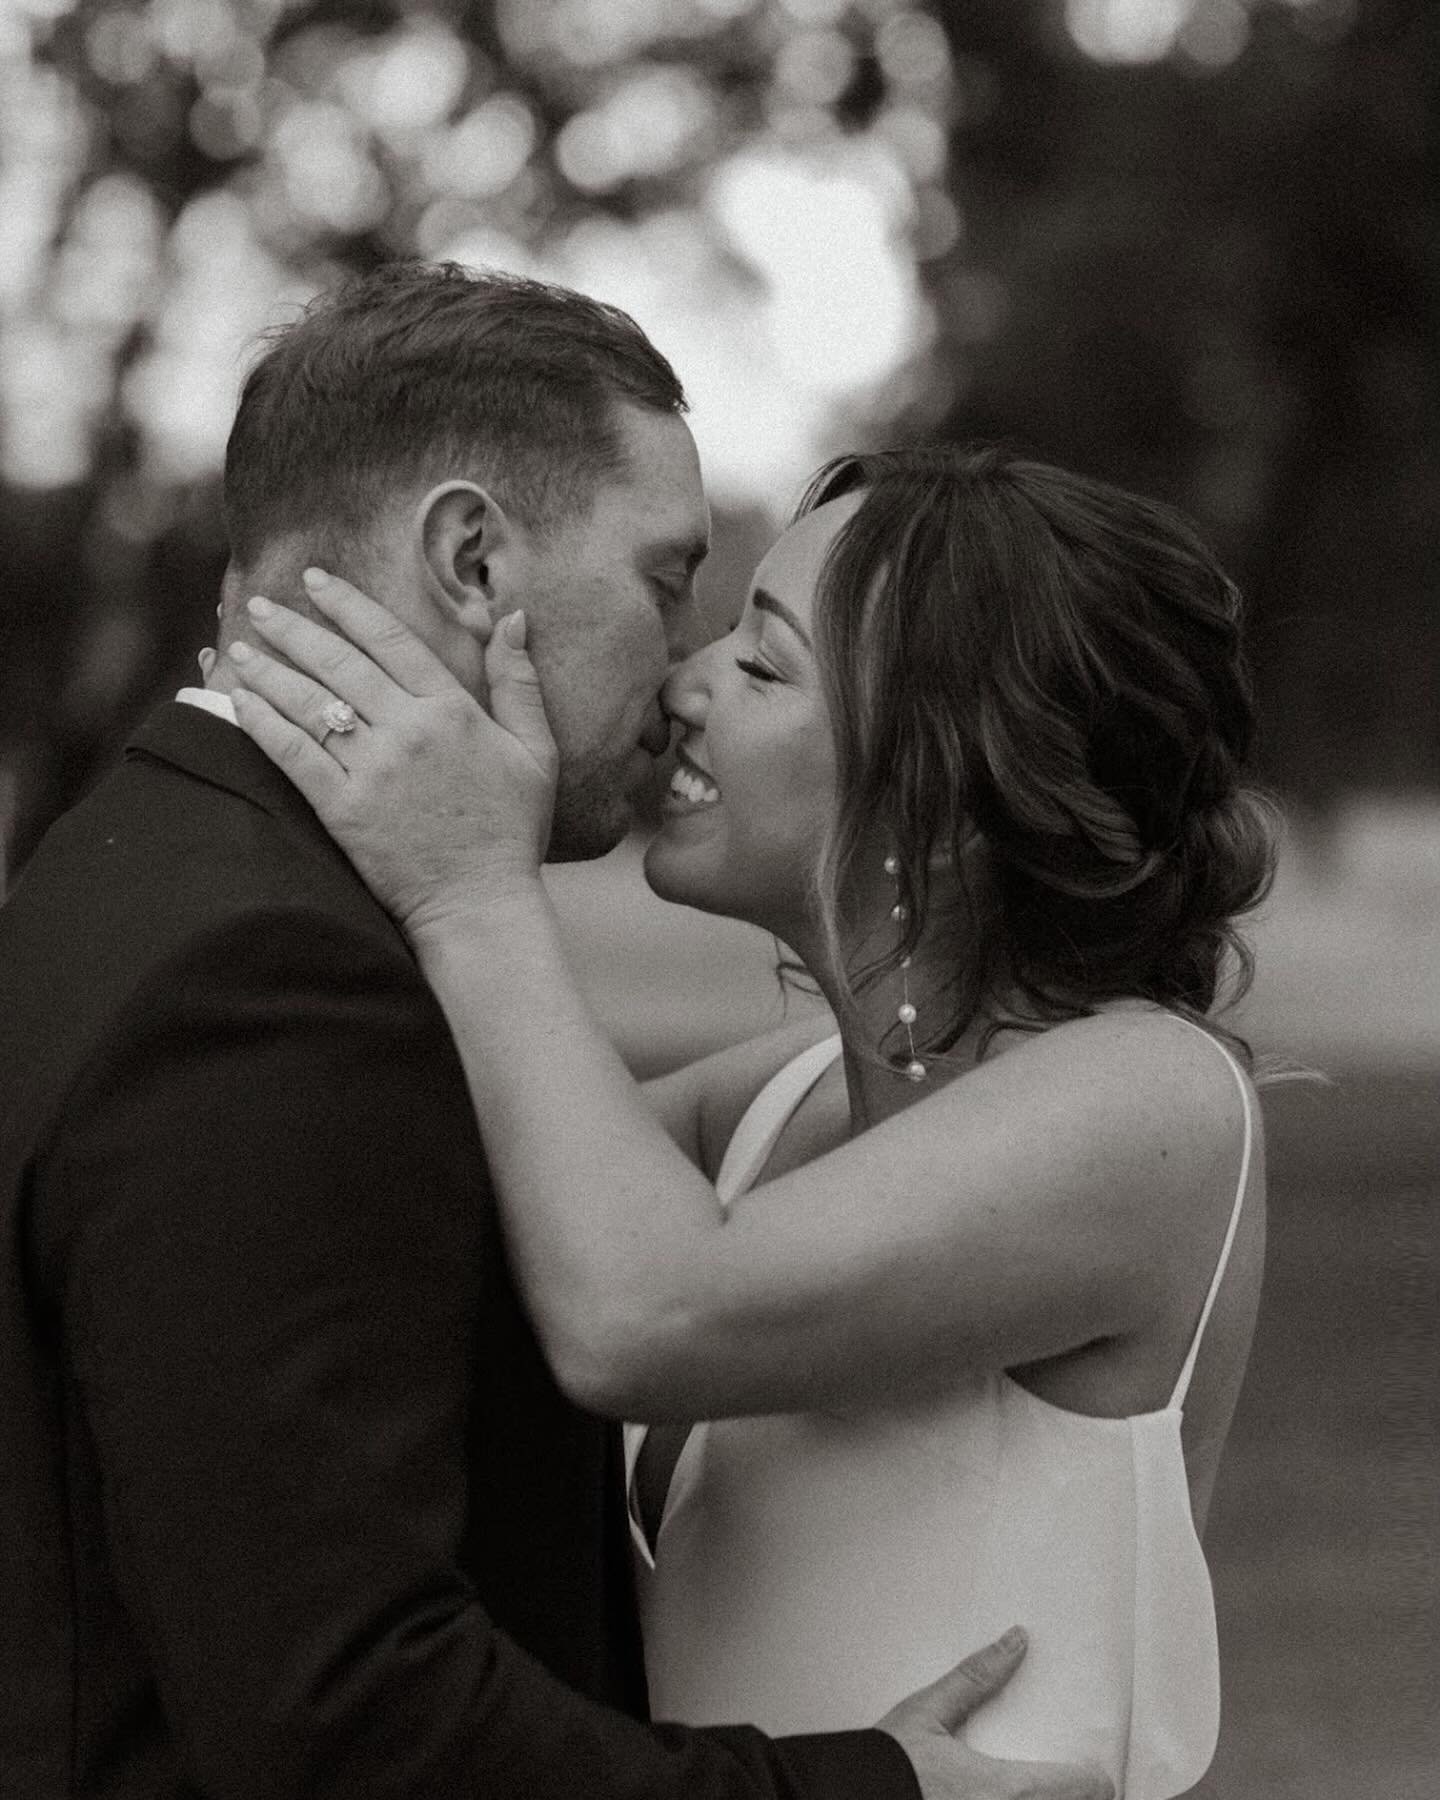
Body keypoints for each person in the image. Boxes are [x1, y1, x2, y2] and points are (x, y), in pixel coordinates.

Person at [0, 265, 1111, 1800]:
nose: (686, 673)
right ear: (471, 558)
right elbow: (351, 1728)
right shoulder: (273, 983)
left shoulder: (128, 868)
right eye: (667, 583)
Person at [225, 440, 1276, 1800]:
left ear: (947, 800)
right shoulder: (774, 1103)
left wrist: (473, 889)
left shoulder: (1153, 1105)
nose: (682, 686)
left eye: (765, 665)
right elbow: (403, 1187)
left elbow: (638, 1316)